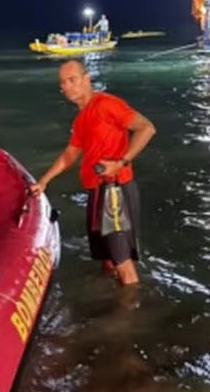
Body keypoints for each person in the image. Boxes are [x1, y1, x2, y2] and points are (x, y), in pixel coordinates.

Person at [29, 59, 156, 286]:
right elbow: (70, 153)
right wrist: (44, 181)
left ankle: (130, 314)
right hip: (97, 192)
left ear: (87, 79)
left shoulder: (107, 104)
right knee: (106, 260)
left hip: (115, 192)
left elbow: (146, 128)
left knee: (123, 264)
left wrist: (121, 162)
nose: (67, 87)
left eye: (72, 80)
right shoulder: (80, 120)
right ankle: (108, 299)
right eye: (63, 83)